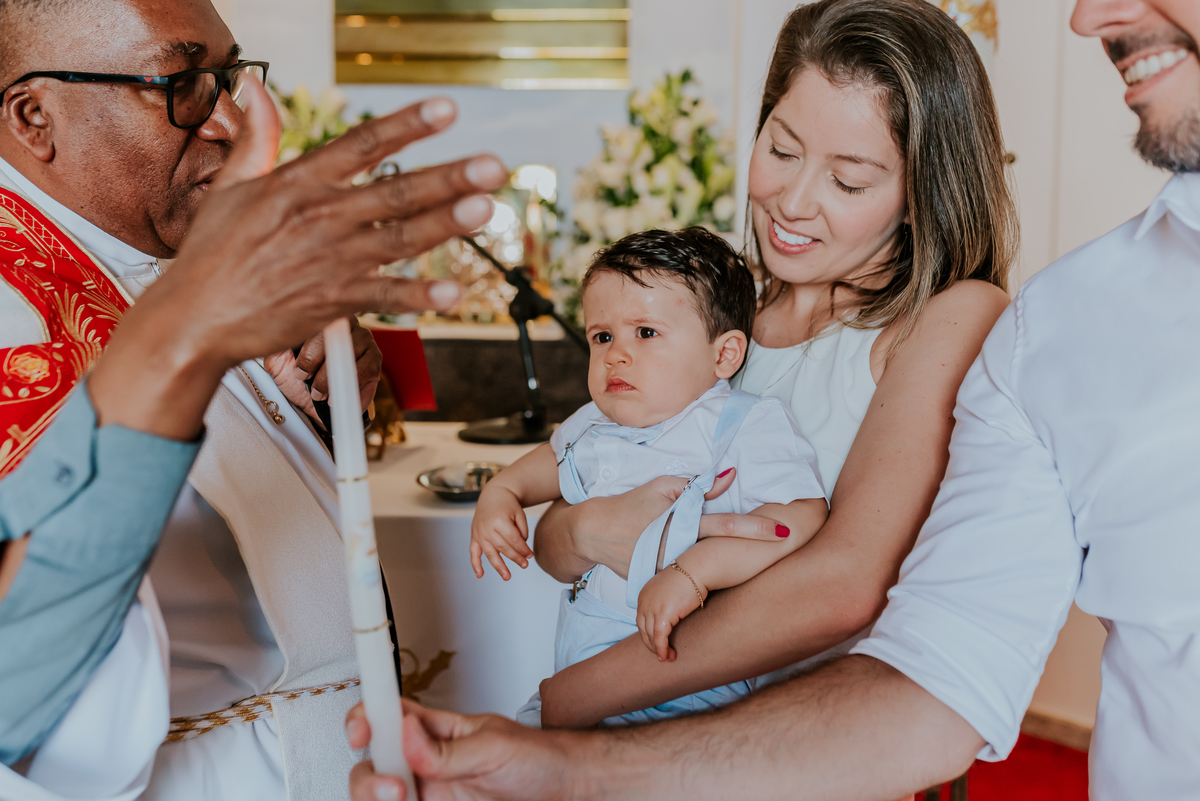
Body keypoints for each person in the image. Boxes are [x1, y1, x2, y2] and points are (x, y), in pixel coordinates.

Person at [346, 0, 1200, 798]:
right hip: (644, 736)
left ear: (920, 195)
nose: (793, 202)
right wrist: (577, 528)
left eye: (851, 179)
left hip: (788, 752)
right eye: (782, 149)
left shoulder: (947, 319)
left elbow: (841, 583)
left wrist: (574, 698)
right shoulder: (720, 319)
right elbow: (575, 515)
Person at [0, 0, 507, 799]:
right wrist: (189, 339)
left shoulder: (149, 252)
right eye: (181, 85)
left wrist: (314, 400)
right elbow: (13, 679)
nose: (228, 122)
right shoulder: (15, 309)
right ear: (35, 117)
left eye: (228, 77)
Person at [468, 228, 827, 725]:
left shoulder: (741, 422)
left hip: (687, 681)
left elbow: (800, 517)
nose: (616, 353)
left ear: (723, 355)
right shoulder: (594, 421)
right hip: (582, 664)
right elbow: (547, 464)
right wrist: (501, 491)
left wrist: (693, 572)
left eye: (646, 332)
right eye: (602, 336)